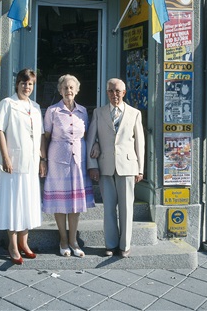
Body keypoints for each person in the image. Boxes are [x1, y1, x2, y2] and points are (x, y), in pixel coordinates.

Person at [86, 78, 145, 258]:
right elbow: (91, 139)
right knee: (109, 207)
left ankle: (125, 245)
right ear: (107, 93)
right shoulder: (98, 113)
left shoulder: (134, 113)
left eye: (118, 91)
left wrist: (140, 169)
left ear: (124, 93)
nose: (114, 95)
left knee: (127, 208)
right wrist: (92, 165)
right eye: (111, 91)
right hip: (105, 166)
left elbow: (140, 143)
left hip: (128, 166)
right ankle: (111, 244)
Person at [0, 68, 47, 265]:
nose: (27, 87)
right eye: (24, 83)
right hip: (13, 164)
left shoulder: (35, 107)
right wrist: (5, 157)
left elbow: (40, 135)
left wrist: (43, 159)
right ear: (17, 84)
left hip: (31, 163)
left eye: (30, 83)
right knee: (13, 203)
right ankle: (13, 245)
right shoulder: (8, 104)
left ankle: (25, 243)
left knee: (28, 204)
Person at [42, 74, 95, 258]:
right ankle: (63, 240)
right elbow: (45, 137)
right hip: (58, 162)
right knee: (60, 203)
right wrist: (43, 160)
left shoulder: (83, 112)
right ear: (60, 90)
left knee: (75, 204)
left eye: (71, 88)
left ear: (77, 90)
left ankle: (73, 241)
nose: (68, 91)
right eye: (65, 88)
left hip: (78, 163)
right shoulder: (52, 111)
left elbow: (87, 135)